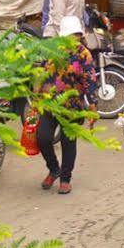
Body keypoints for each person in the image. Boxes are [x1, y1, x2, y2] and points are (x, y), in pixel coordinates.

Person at [37, 30, 93, 195]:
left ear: (79, 36)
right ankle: (54, 169)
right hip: (50, 104)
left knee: (67, 142)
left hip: (72, 106)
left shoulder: (83, 54)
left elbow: (90, 79)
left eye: (74, 35)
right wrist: (37, 95)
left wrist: (93, 104)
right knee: (43, 138)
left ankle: (65, 179)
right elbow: (42, 72)